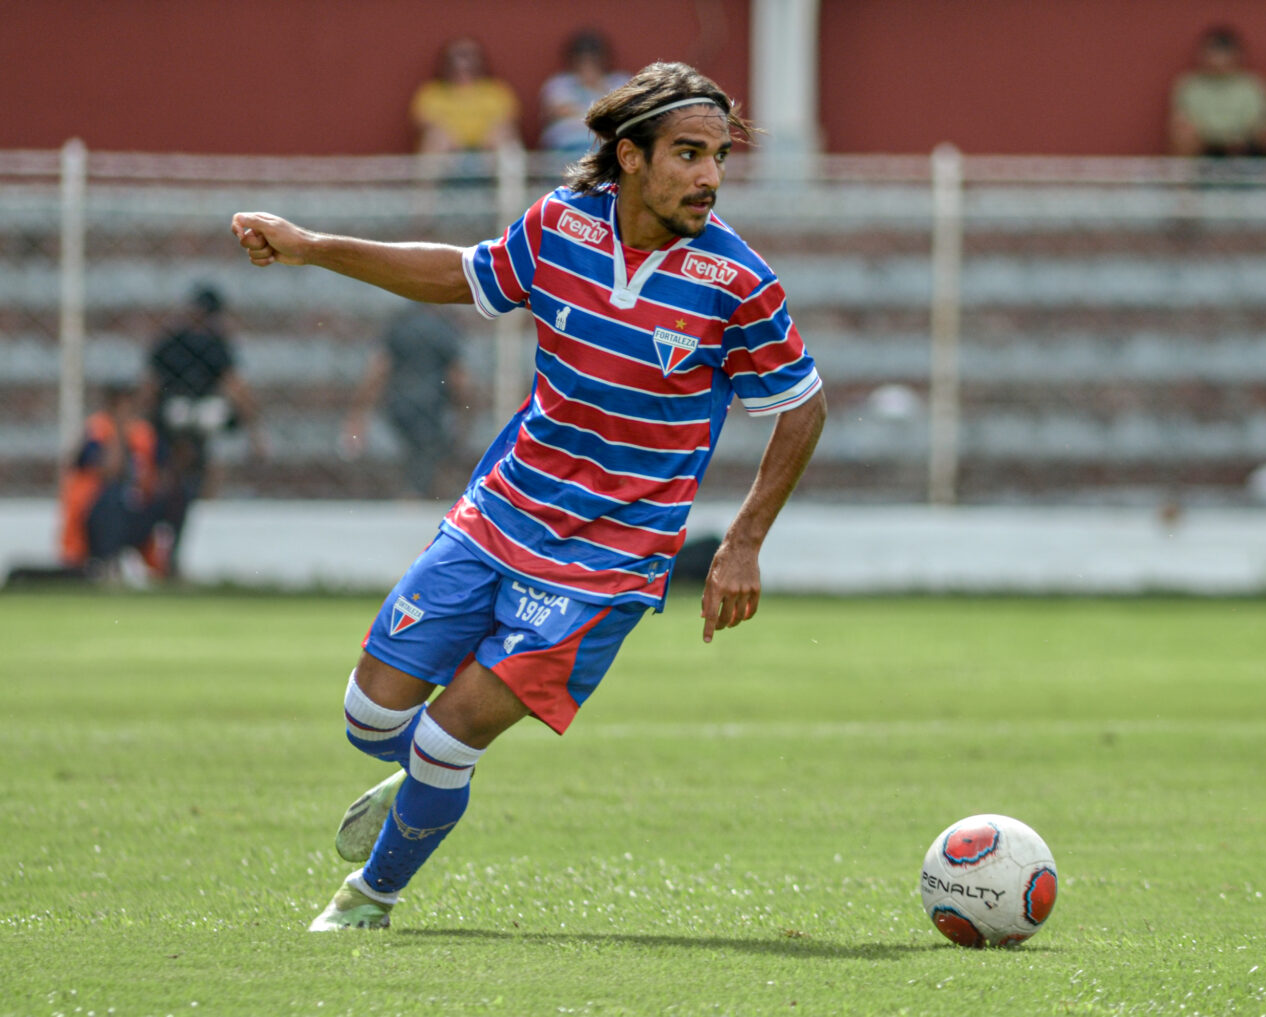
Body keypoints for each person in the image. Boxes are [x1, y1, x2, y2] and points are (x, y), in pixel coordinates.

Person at [230, 61, 827, 932]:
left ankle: (369, 897)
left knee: (445, 740)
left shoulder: (738, 284)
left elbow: (804, 408)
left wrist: (742, 541)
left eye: (719, 158)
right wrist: (315, 246)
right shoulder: (559, 225)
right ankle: (425, 787)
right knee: (370, 715)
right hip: (502, 512)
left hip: (609, 561)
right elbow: (459, 275)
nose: (709, 176)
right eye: (689, 154)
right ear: (630, 156)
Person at [141, 284, 265, 575]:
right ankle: (204, 495)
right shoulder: (214, 344)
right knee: (208, 431)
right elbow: (236, 387)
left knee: (185, 455)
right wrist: (255, 432)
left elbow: (150, 386)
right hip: (195, 415)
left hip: (175, 415)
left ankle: (188, 486)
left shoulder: (171, 341)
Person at [341, 303, 474, 499]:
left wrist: (359, 413)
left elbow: (378, 370)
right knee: (426, 462)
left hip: (398, 403)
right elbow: (459, 379)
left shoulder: (399, 325)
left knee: (417, 459)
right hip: (432, 405)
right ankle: (415, 502)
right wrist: (466, 413)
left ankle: (412, 497)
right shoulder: (444, 329)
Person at [57, 383, 172, 581]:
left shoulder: (145, 433)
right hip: (95, 514)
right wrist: (118, 432)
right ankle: (107, 563)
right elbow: (111, 471)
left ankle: (167, 566)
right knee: (114, 496)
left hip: (136, 508)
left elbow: (163, 475)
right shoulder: (97, 432)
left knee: (175, 497)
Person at [410, 36, 520, 180]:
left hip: (487, 151)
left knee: (505, 138)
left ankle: (510, 201)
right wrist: (452, 140)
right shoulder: (432, 92)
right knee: (435, 139)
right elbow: (423, 121)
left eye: (469, 55)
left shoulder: (496, 90)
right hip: (449, 153)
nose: (463, 62)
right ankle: (424, 201)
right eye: (458, 55)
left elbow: (508, 119)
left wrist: (486, 141)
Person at [1167, 25, 1266, 158]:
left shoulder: (1252, 85)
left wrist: (1242, 139)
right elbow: (1181, 122)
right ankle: (1183, 178)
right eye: (1213, 52)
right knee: (1182, 135)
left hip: (1246, 147)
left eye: (1223, 52)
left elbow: (1265, 124)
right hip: (1203, 148)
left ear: (1237, 55)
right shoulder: (1189, 86)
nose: (1218, 60)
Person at [538, 30, 629, 158]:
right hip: (566, 147)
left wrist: (597, 87)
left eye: (593, 60)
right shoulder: (559, 83)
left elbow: (623, 110)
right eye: (582, 60)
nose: (587, 65)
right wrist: (603, 114)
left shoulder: (620, 81)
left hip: (609, 149)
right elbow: (561, 110)